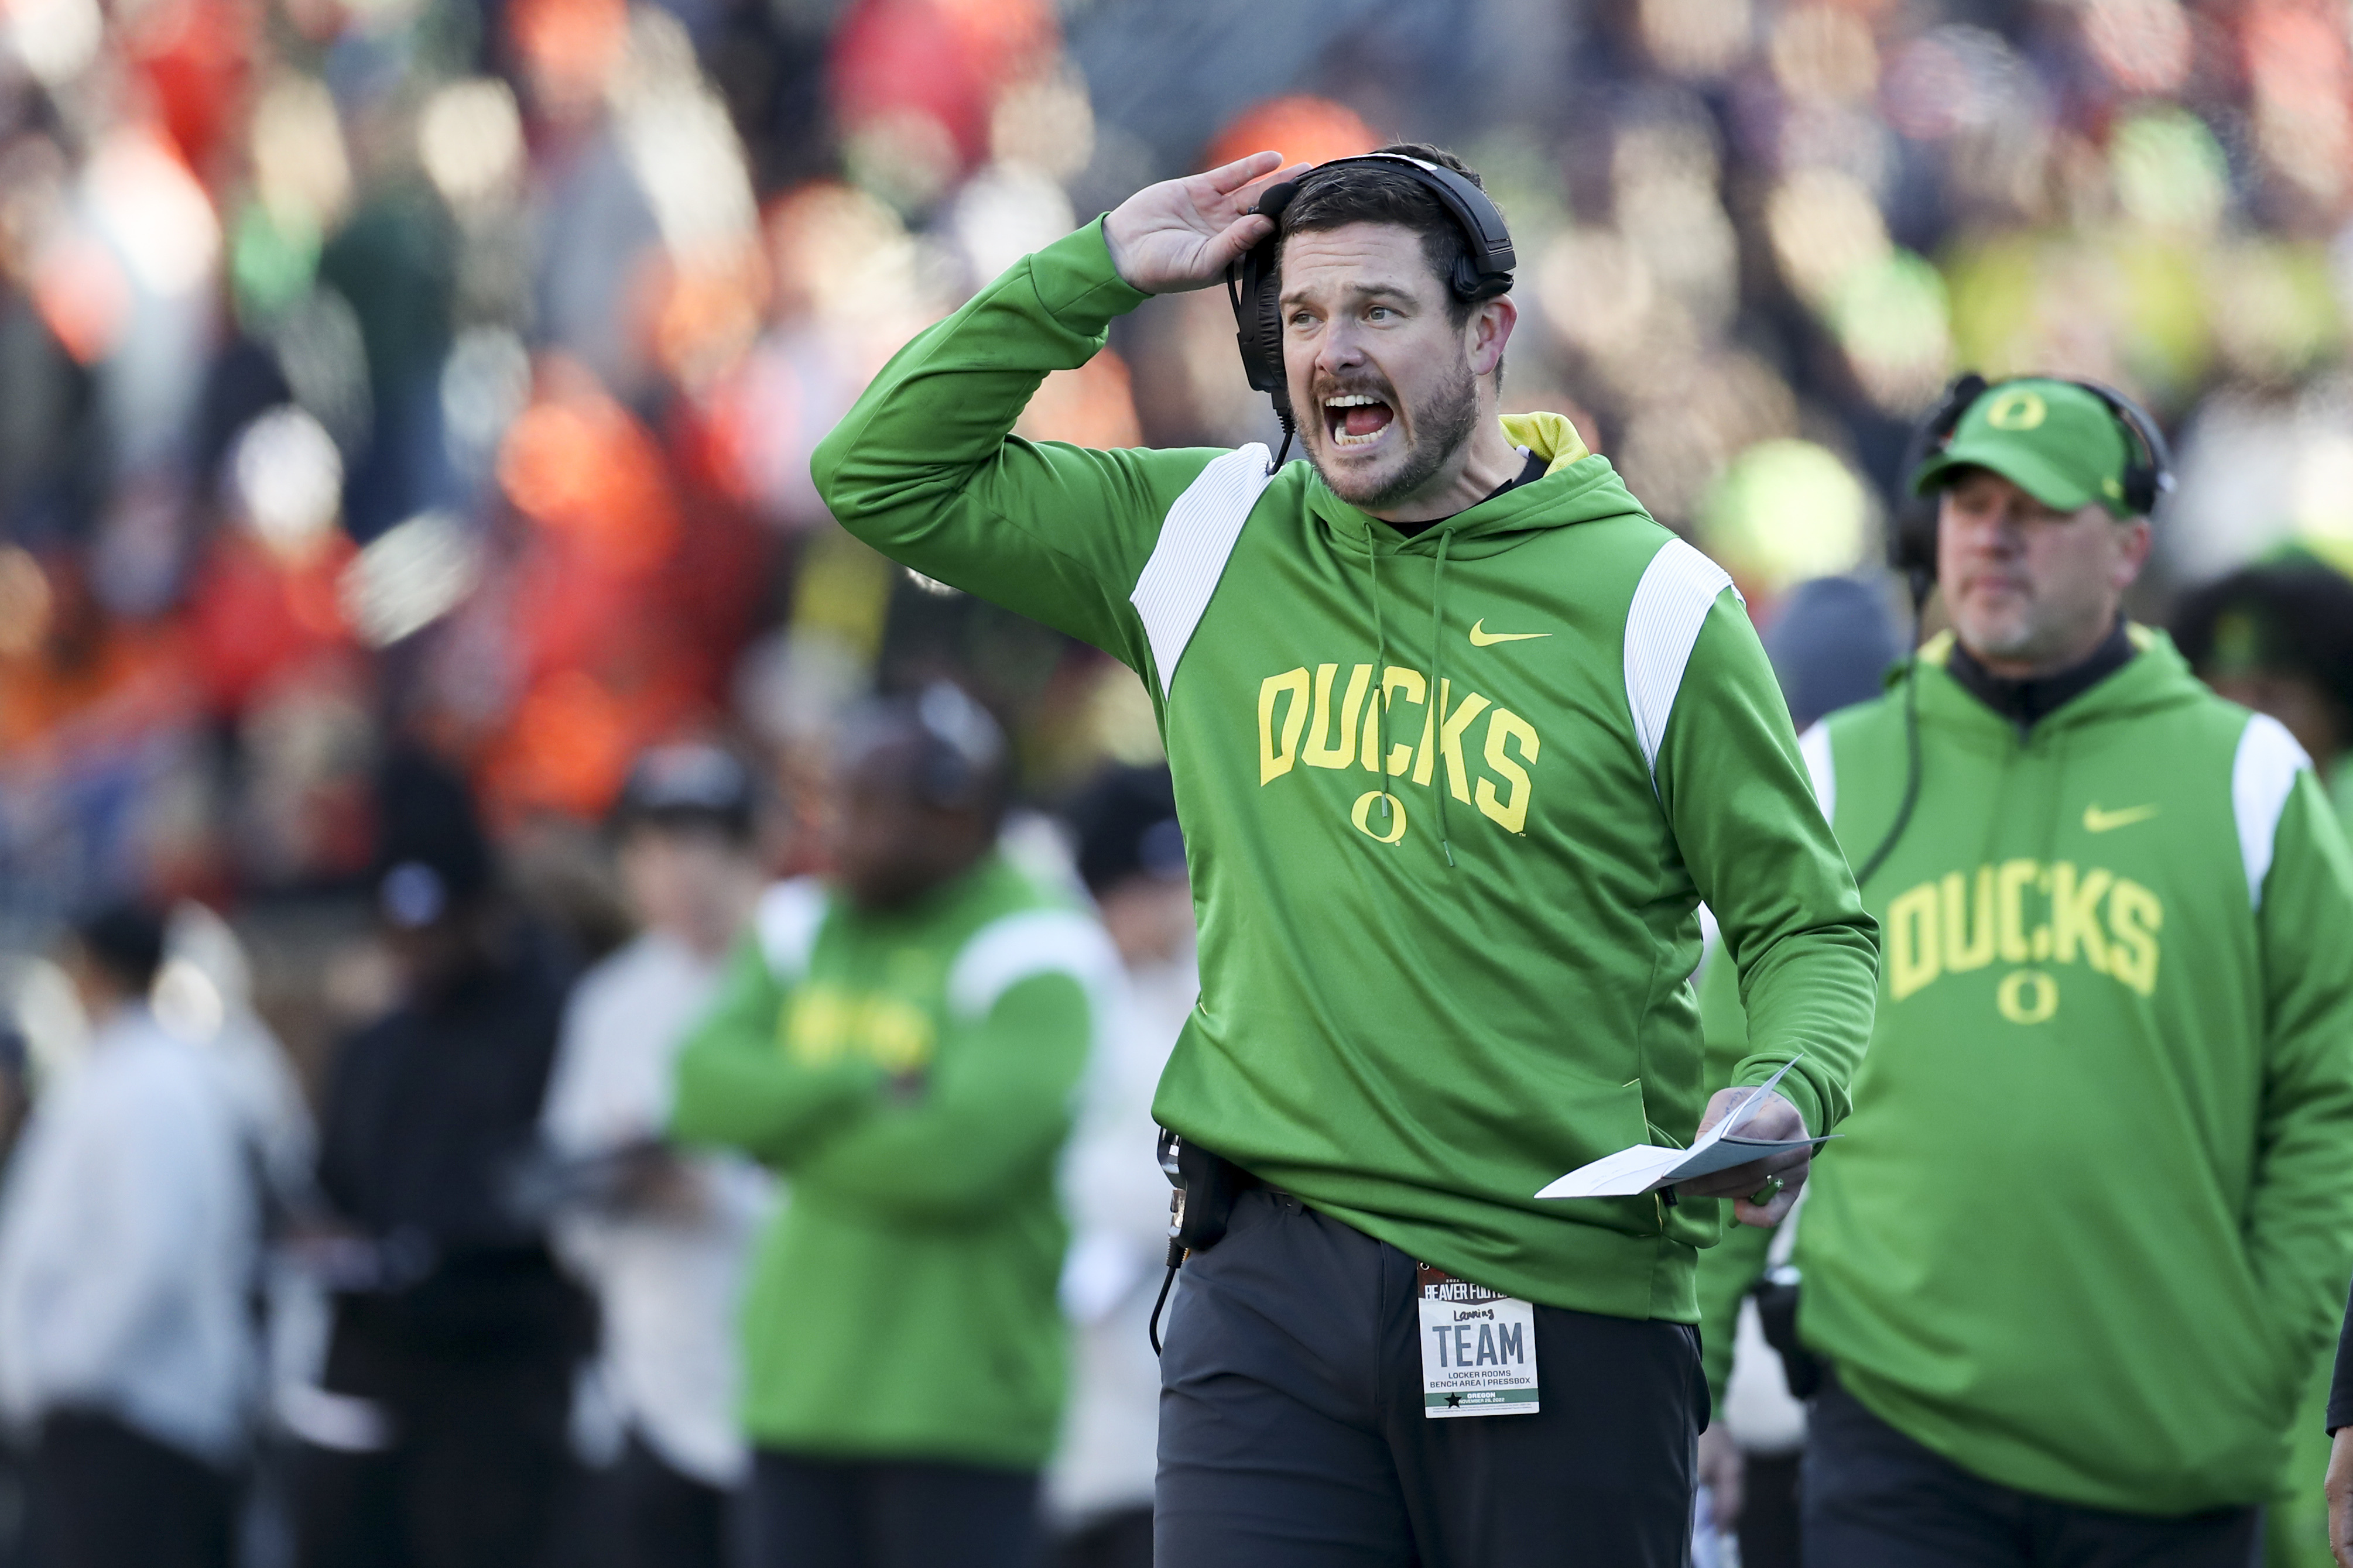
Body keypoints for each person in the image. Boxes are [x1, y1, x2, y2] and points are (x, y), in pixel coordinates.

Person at [810, 143, 1879, 1565]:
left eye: (1377, 309)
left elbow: (1810, 930)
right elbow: (878, 471)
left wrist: (1783, 1079)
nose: (1331, 351)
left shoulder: (1655, 602)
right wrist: (1094, 273)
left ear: (1487, 334)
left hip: (1556, 1284)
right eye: (1300, 318)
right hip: (1267, 1280)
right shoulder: (1203, 536)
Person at [1790, 376, 2353, 1567]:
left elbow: (2329, 1096)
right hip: (1893, 1433)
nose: (1989, 535)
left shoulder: (2248, 777)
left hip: (2165, 1447)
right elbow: (1731, 1084)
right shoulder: (1832, 772)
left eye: (2034, 509)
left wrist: (2267, 1355)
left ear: (2126, 546)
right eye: (1965, 501)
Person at [670, 683, 1116, 1568]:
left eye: (875, 808)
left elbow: (952, 1159)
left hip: (960, 1411)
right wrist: (863, 1080)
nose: (844, 828)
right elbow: (698, 1089)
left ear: (960, 819)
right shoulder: (802, 920)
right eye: (840, 798)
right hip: (794, 1394)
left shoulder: (1040, 946)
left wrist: (782, 1130)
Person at [291, 746, 594, 1568]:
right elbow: (335, 1185)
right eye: (398, 930)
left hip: (498, 1390)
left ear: (480, 912)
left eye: (435, 927)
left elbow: (556, 1194)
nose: (416, 949)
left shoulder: (557, 1016)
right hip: (375, 1375)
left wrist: (435, 1251)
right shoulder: (376, 1039)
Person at [539, 743, 773, 1568]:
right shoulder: (613, 1001)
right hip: (646, 1384)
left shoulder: (806, 971)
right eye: (657, 848)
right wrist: (617, 1192)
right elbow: (564, 1187)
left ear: (753, 852)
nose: (684, 873)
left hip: (785, 1387)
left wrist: (716, 1192)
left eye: (707, 846)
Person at [0, 902, 257, 1568]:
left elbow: (152, 1254)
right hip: (108, 1417)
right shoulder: (122, 1072)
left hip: (138, 1419)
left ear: (91, 968)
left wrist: (64, 1370)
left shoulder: (152, 1086)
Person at [1047, 764, 1198, 1568]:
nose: (1170, 904)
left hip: (1173, 1366)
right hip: (1068, 1390)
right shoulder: (1067, 989)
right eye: (1147, 885)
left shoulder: (1211, 991)